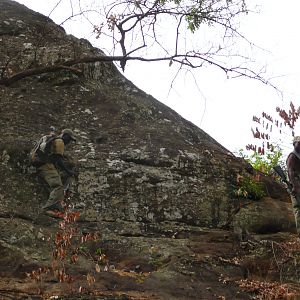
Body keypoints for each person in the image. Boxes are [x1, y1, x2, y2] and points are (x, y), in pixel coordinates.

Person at [37, 128, 77, 216]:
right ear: (64, 136)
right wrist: (68, 171)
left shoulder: (54, 140)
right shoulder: (60, 142)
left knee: (55, 185)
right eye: (69, 139)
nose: (69, 142)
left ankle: (56, 207)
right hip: (47, 167)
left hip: (41, 166)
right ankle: (47, 208)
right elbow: (58, 159)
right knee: (58, 186)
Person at [286, 136, 300, 236]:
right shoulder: (292, 155)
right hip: (295, 186)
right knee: (297, 208)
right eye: (299, 143)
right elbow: (290, 171)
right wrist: (295, 186)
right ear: (294, 144)